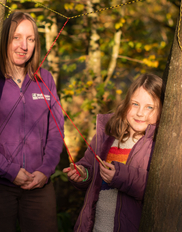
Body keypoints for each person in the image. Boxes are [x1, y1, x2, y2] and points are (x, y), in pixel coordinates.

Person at [0, 12, 64, 232]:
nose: (23, 46)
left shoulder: (46, 79)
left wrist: (45, 171)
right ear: (5, 39)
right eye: (16, 37)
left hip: (39, 185)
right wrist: (10, 171)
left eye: (30, 39)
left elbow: (56, 132)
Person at [64, 73, 163, 232]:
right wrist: (83, 174)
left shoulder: (157, 145)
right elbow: (90, 168)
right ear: (126, 103)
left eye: (150, 107)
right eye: (135, 104)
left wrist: (119, 176)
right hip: (96, 226)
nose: (140, 113)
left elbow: (156, 188)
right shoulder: (108, 136)